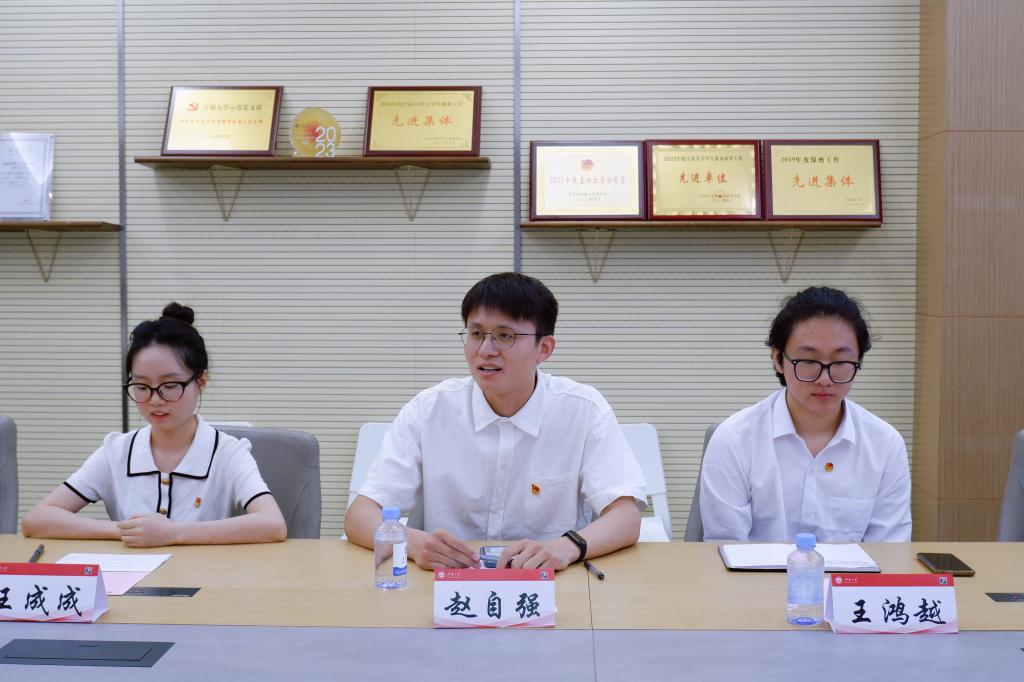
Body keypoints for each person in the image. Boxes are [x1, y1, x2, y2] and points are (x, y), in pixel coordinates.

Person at [344, 272, 646, 571]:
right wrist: (412, 543)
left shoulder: (584, 410)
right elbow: (360, 515)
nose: (485, 351)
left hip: (549, 584)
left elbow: (626, 517)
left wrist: (565, 548)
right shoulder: (428, 410)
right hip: (441, 584)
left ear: (544, 348)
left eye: (505, 336)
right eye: (476, 334)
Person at [22, 303, 287, 547]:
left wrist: (174, 533)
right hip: (132, 581)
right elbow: (37, 520)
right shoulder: (117, 451)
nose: (155, 400)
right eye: (141, 386)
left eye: (170, 386)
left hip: (204, 578)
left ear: (201, 382)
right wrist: (125, 530)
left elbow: (272, 524)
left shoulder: (228, 453)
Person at [699, 286, 911, 543]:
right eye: (808, 362)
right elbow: (724, 549)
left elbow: (889, 552)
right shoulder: (733, 440)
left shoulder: (885, 445)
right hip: (756, 573)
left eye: (841, 363)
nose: (825, 379)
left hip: (854, 573)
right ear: (778, 358)